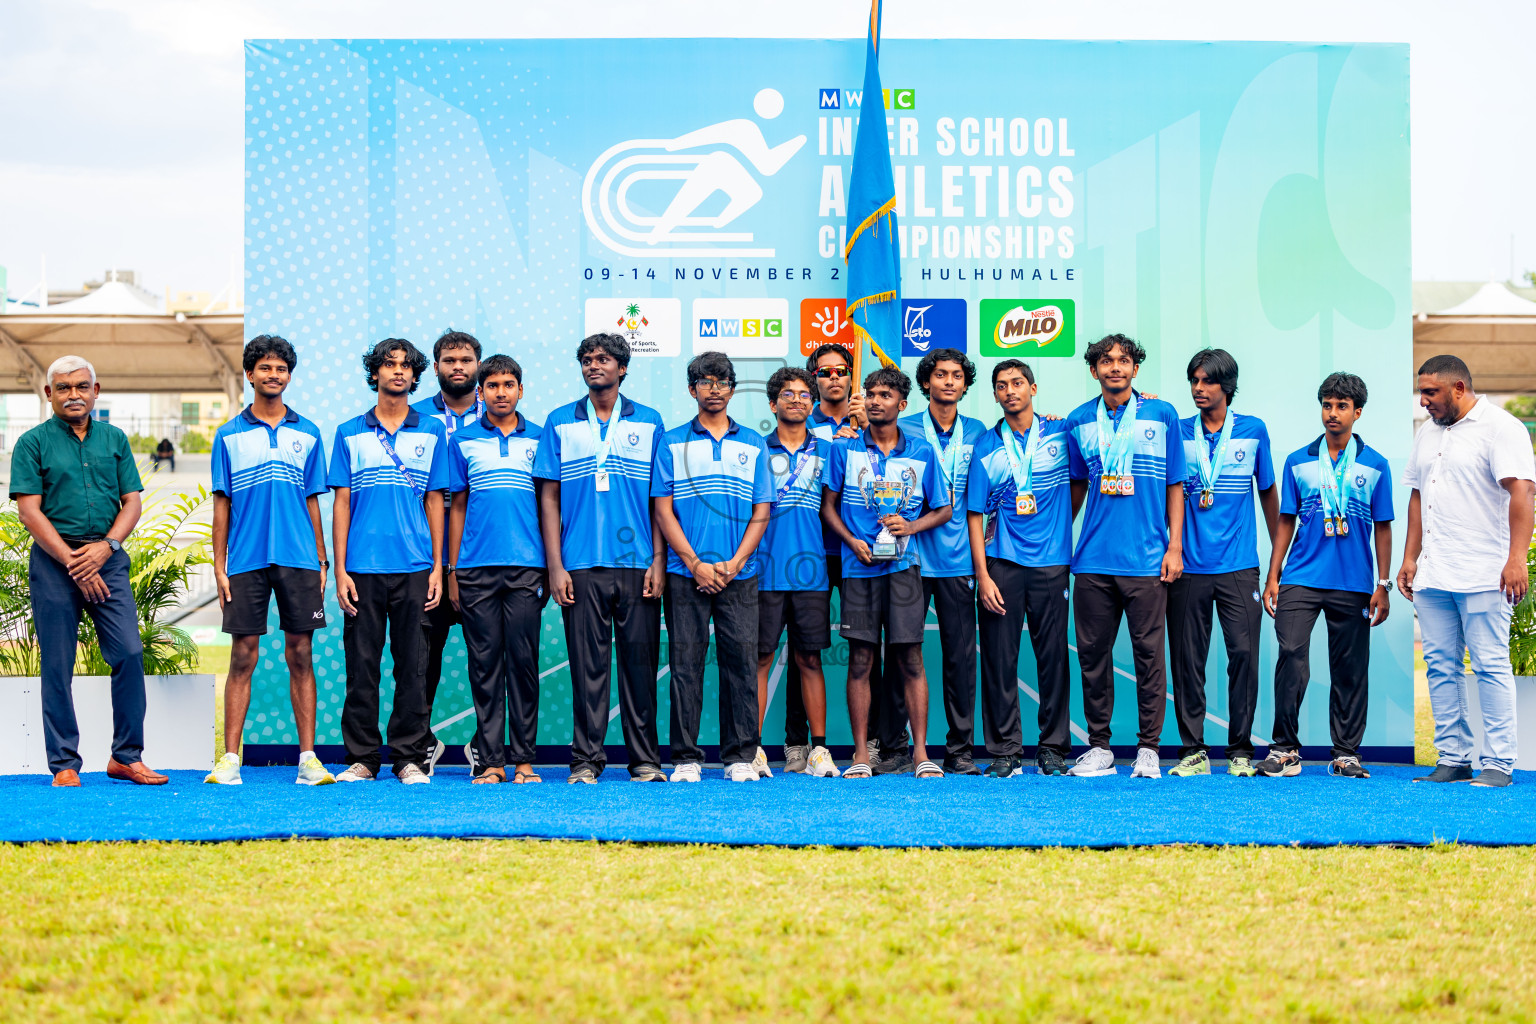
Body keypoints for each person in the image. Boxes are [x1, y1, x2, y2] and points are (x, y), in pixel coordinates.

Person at [11, 356, 162, 787]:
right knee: (57, 664)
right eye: (63, 387)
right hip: (55, 563)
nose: (73, 394)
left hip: (108, 561)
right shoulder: (32, 443)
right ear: (49, 395)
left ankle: (126, 757)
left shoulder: (114, 439)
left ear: (96, 391)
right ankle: (64, 764)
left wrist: (106, 548)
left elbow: (131, 501)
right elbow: (29, 511)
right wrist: (75, 561)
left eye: (81, 386)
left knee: (130, 654)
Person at [533, 333, 668, 784]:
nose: (595, 366)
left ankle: (645, 760)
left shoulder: (649, 421)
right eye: (588, 359)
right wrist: (555, 566)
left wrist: (658, 560)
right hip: (579, 564)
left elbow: (659, 500)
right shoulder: (558, 422)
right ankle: (586, 760)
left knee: (639, 668)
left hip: (637, 565)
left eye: (604, 359)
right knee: (588, 670)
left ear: (622, 368)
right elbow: (548, 498)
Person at [206, 335, 334, 786]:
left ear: (289, 376)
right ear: (250, 374)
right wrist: (219, 566)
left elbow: (314, 501)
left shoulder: (309, 432)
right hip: (246, 560)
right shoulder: (228, 435)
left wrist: (322, 561)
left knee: (301, 653)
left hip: (300, 560)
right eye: (265, 368)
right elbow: (222, 505)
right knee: (243, 654)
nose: (273, 375)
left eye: (281, 368)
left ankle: (308, 759)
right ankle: (229, 760)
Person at [1401, 355, 1534, 788]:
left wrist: (1516, 558)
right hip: (1434, 572)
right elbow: (1418, 497)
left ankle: (1498, 763)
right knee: (1440, 666)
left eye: (1431, 393)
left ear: (1459, 388)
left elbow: (1522, 491)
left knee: (1490, 665)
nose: (1424, 402)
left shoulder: (1501, 428)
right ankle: (1454, 758)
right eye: (1422, 393)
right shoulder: (1426, 433)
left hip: (1484, 571)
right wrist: (1409, 559)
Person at [1258, 372, 1394, 779]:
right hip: (1300, 575)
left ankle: (1346, 753)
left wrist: (1382, 585)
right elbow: (1285, 520)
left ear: (1358, 412)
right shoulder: (1298, 461)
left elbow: (1383, 526)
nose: (1332, 414)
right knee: (1291, 655)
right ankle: (1284, 749)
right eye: (1327, 405)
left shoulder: (1375, 465)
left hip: (1353, 582)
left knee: (1350, 667)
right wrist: (1273, 575)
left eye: (1341, 406)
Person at [1063, 334, 1187, 779]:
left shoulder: (1162, 413)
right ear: (1093, 369)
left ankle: (1148, 749)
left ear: (1136, 368)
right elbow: (1077, 487)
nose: (1115, 367)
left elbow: (1176, 483)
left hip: (1148, 560)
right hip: (1094, 560)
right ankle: (1099, 747)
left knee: (1149, 657)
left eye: (1124, 360)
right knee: (1093, 658)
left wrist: (1175, 545)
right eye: (1106, 361)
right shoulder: (1077, 421)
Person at [328, 338, 448, 784]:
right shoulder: (348, 432)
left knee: (413, 668)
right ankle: (362, 758)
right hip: (362, 568)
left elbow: (436, 500)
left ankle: (408, 759)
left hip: (416, 568)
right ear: (374, 373)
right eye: (388, 364)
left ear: (416, 376)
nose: (397, 372)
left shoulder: (432, 430)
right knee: (362, 669)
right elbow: (341, 503)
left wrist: (438, 567)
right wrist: (340, 570)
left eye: (405, 366)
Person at [823, 366, 951, 779]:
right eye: (871, 394)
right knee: (861, 659)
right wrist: (851, 541)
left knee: (911, 658)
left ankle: (920, 754)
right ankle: (862, 754)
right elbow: (828, 508)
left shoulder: (922, 451)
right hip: (859, 568)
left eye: (885, 395)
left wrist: (911, 527)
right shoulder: (843, 449)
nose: (876, 400)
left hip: (904, 567)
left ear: (902, 403)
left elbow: (944, 508)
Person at [653, 352, 773, 783]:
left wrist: (735, 562)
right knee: (685, 666)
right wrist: (695, 563)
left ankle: (740, 756)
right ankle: (686, 757)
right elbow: (663, 511)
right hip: (688, 575)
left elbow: (762, 510)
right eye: (705, 381)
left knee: (740, 664)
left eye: (722, 381)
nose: (715, 388)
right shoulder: (671, 442)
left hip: (740, 574)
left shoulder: (753, 444)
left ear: (732, 388)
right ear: (693, 390)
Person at [1165, 349, 1278, 778]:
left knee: (1244, 656)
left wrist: (1275, 562)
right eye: (1194, 380)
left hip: (1239, 566)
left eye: (1208, 381)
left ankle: (1241, 751)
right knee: (1188, 661)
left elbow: (1267, 493)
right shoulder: (1177, 430)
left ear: (1226, 386)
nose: (1198, 388)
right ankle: (1193, 751)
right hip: (1188, 567)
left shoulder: (1252, 431)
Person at [966, 359, 1074, 777]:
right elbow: (975, 515)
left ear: (1033, 387)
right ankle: (1005, 751)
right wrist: (983, 575)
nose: (1010, 391)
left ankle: (1052, 749)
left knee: (1053, 660)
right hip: (1002, 565)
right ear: (994, 395)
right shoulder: (987, 448)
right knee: (998, 659)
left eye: (1017, 383)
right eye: (1001, 386)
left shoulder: (1061, 435)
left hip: (1052, 565)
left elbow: (1081, 480)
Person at [446, 354, 546, 785]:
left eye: (509, 385)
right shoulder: (463, 440)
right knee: (484, 666)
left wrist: (550, 566)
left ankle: (524, 761)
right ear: (480, 392)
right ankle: (491, 762)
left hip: (527, 568)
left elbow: (549, 504)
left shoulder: (542, 440)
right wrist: (452, 568)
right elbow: (457, 506)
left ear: (520, 390)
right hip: (474, 570)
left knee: (522, 664)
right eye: (492, 386)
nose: (501, 392)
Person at [899, 348, 986, 775]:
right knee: (903, 653)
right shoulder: (904, 428)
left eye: (956, 375)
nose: (949, 381)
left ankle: (960, 750)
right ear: (926, 382)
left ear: (965, 384)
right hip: (909, 557)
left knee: (960, 658)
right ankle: (897, 746)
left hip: (959, 560)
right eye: (940, 374)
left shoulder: (980, 431)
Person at [755, 367, 839, 778]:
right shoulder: (754, 449)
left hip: (811, 572)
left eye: (804, 394)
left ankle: (819, 750)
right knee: (761, 659)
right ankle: (752, 749)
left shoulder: (828, 452)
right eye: (787, 394)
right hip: (763, 571)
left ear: (813, 402)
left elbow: (835, 508)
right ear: (773, 404)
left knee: (810, 659)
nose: (796, 399)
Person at [411, 329, 483, 772]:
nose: (458, 367)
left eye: (467, 359)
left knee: (487, 656)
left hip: (480, 558)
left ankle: (485, 743)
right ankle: (420, 742)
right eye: (449, 360)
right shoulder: (412, 418)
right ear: (435, 367)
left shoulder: (501, 414)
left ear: (479, 365)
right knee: (422, 658)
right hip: (426, 559)